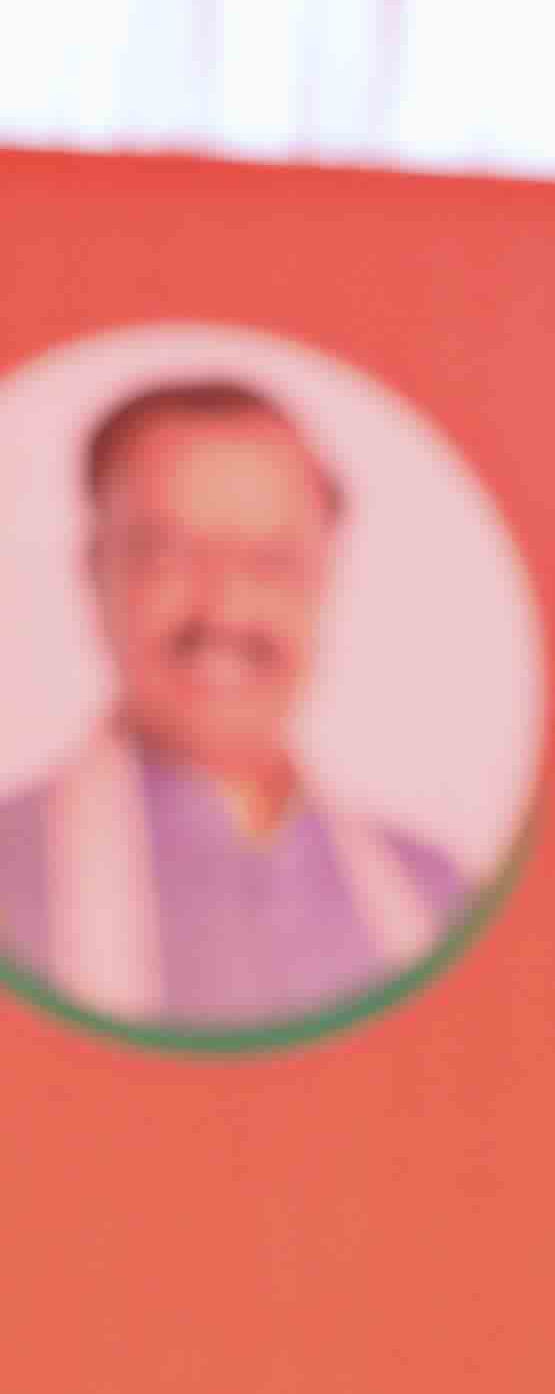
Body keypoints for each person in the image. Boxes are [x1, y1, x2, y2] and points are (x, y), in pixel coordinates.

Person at [0, 378, 472, 1028]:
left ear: (322, 582)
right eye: (169, 554)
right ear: (95, 572)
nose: (225, 608)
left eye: (272, 560)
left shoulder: (434, 898)